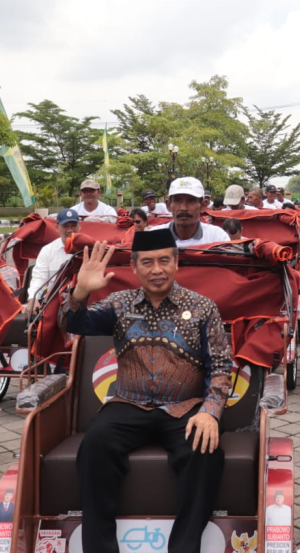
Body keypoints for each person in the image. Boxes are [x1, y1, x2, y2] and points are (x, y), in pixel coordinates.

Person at [63, 232, 232, 553]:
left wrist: (210, 413)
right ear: (134, 266)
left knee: (204, 450)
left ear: (176, 263)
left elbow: (221, 366)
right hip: (128, 403)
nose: (157, 269)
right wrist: (81, 292)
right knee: (96, 443)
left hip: (184, 406)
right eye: (148, 262)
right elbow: (74, 324)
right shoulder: (120, 304)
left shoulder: (202, 307)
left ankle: (184, 548)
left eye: (164, 260)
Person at [26, 209, 80, 307]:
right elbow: (39, 278)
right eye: (65, 226)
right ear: (57, 227)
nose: (70, 230)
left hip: (82, 301)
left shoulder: (89, 249)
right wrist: (33, 299)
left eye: (73, 225)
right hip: (54, 301)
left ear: (79, 226)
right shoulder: (48, 250)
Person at [161, 177, 230, 248]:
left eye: (191, 201)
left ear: (203, 205)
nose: (183, 208)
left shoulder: (217, 237)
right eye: (178, 200)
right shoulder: (155, 236)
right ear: (168, 205)